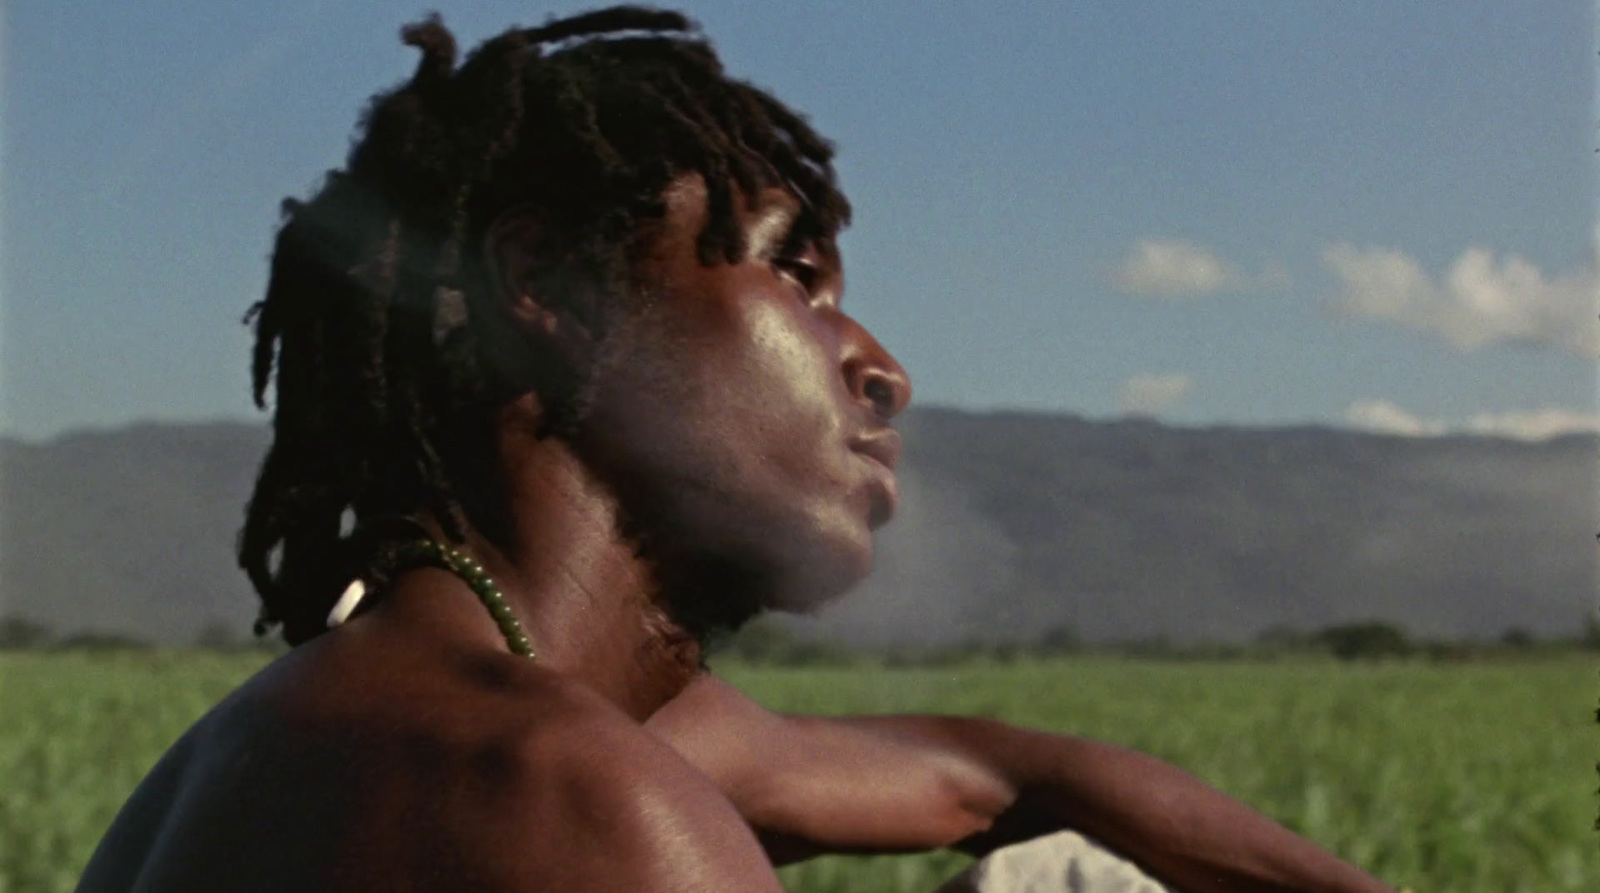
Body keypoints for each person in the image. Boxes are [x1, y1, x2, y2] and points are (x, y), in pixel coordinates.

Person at [76, 9, 1397, 892]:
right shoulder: (579, 800)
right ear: (550, 281)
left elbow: (1000, 773)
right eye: (797, 278)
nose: (878, 362)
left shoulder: (354, 717)